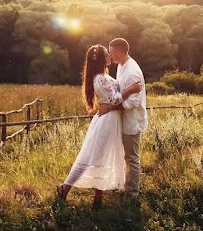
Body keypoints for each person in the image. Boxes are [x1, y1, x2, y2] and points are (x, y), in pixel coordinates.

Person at [57, 44, 142, 207]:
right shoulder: (101, 78)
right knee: (93, 157)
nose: (110, 56)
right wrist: (132, 89)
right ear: (102, 59)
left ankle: (97, 197)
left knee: (100, 158)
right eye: (106, 54)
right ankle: (65, 187)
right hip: (107, 121)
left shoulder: (101, 76)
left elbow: (111, 99)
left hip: (109, 120)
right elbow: (116, 99)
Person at [98, 37, 147, 202]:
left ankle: (132, 195)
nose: (110, 55)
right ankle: (126, 187)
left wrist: (110, 107)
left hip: (132, 121)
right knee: (126, 156)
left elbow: (132, 103)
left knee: (132, 158)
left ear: (118, 52)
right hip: (123, 120)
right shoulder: (121, 66)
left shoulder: (132, 72)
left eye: (111, 52)